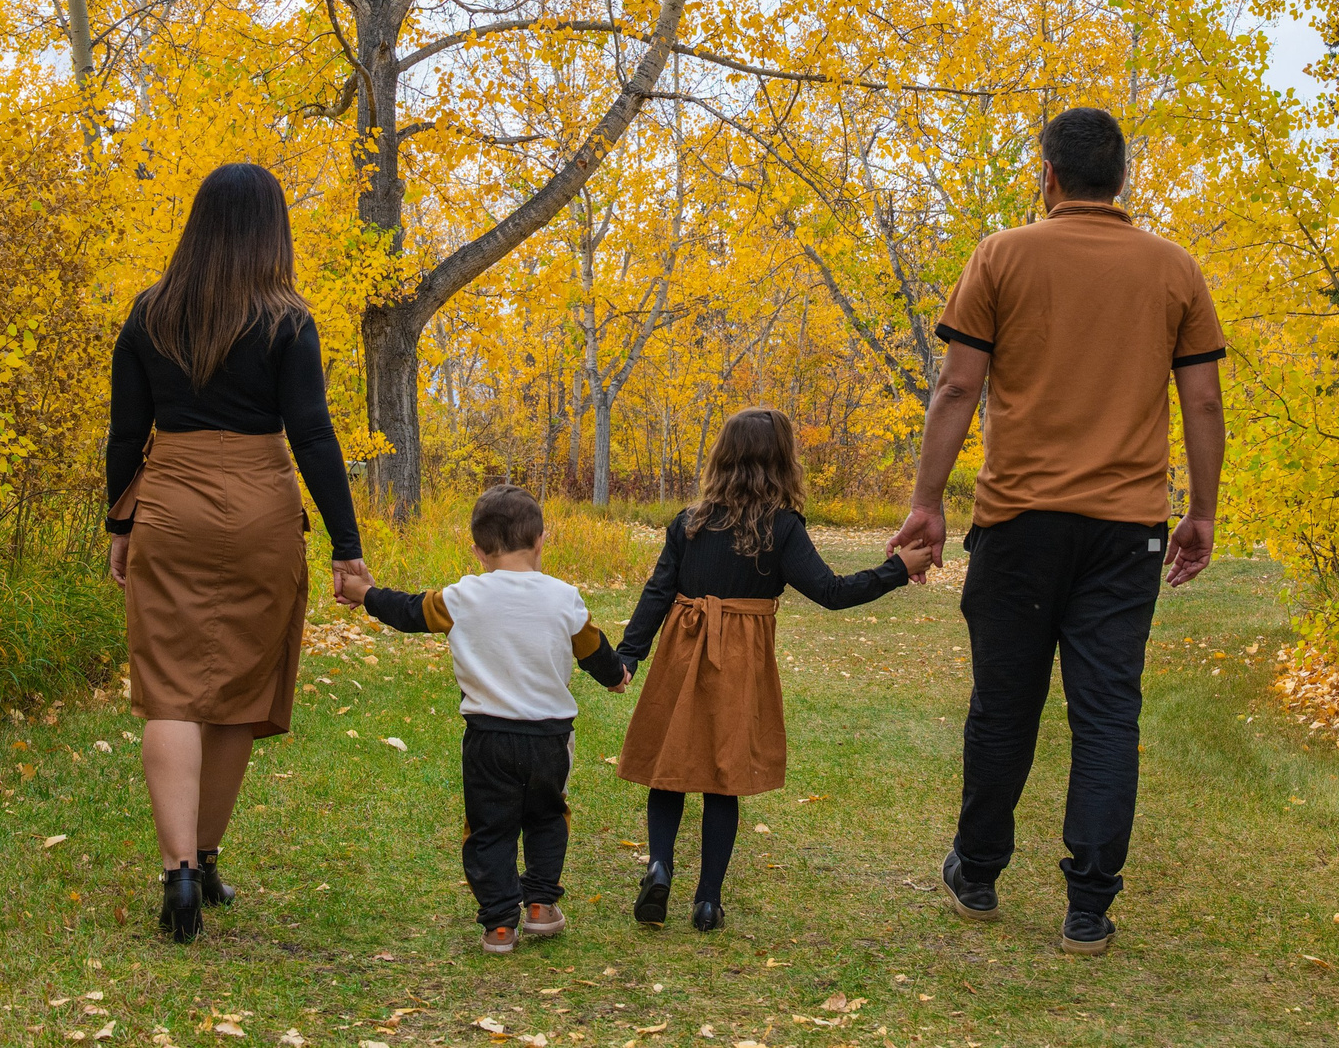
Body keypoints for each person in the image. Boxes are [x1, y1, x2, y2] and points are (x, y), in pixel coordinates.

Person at [887, 105, 1227, 957]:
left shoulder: (1002, 255)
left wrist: (927, 499)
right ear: (1122, 179)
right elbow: (1205, 401)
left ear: (1048, 174)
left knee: (1005, 704)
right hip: (1127, 530)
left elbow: (959, 388)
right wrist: (1202, 513)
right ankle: (1088, 907)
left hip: (1019, 522)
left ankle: (979, 871)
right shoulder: (1174, 268)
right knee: (1108, 711)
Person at [105, 162, 370, 943]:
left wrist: (120, 524)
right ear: (270, 230)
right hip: (260, 503)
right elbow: (313, 434)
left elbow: (126, 433)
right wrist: (347, 548)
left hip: (173, 500)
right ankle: (209, 854)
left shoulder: (149, 314)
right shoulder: (288, 319)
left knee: (172, 689)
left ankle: (180, 871)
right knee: (235, 692)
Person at [614, 407, 939, 932]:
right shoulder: (781, 527)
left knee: (670, 769)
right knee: (724, 776)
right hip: (738, 660)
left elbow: (658, 592)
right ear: (782, 461)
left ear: (723, 456)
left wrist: (629, 654)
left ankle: (659, 867)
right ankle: (708, 901)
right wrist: (897, 570)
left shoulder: (688, 521)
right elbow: (831, 593)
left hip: (682, 647)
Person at [337, 486, 629, 954]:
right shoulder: (563, 597)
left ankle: (498, 925)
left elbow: (408, 612)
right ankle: (539, 905)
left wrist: (364, 592)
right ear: (540, 541)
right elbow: (593, 647)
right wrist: (617, 677)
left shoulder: (462, 596)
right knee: (548, 817)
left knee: (489, 827)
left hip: (488, 737)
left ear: (477, 549)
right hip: (550, 737)